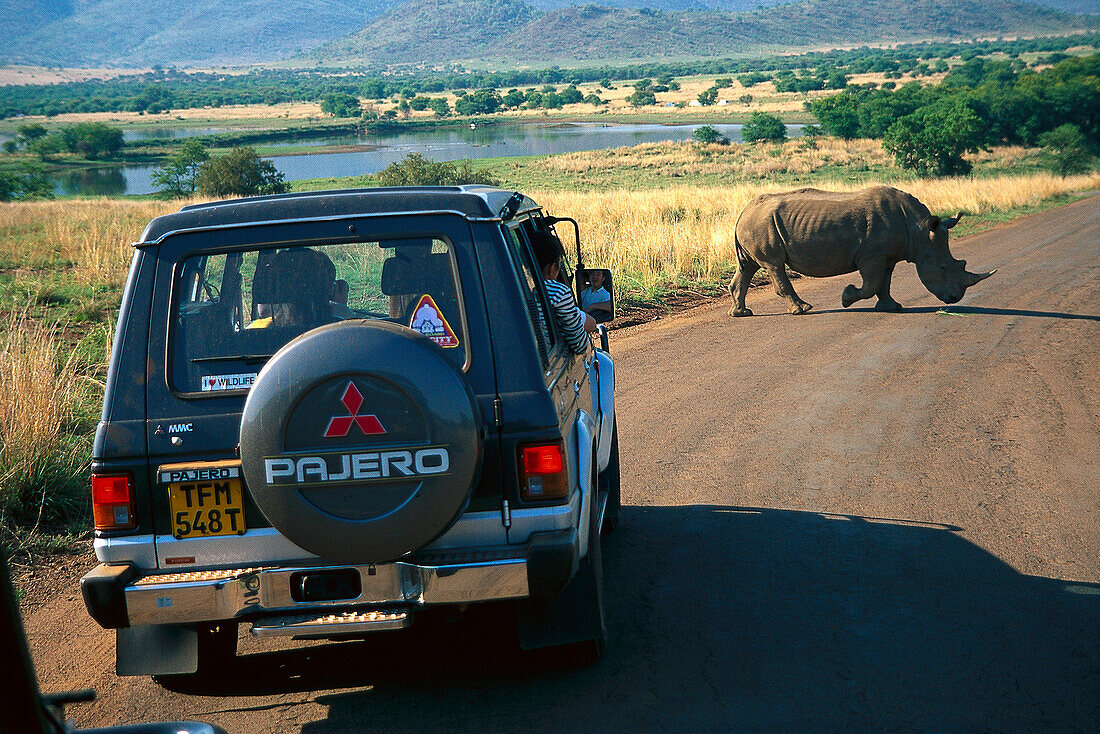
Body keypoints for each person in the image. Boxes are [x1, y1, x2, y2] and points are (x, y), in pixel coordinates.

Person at [529, 228, 595, 355]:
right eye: (560, 264)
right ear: (552, 268)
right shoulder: (558, 292)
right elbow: (579, 345)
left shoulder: (517, 289)